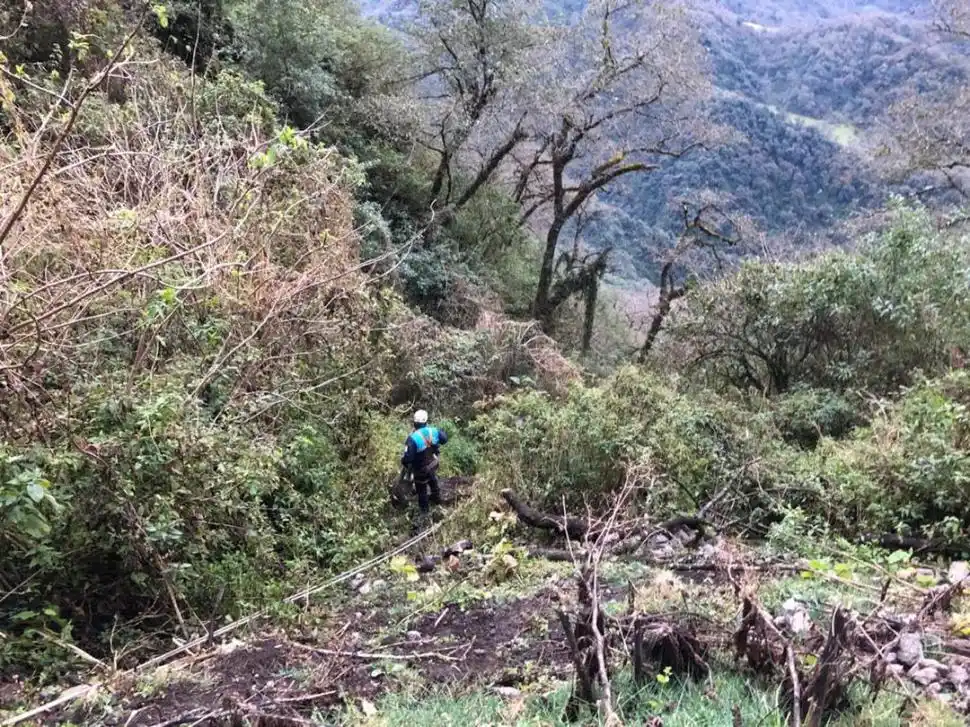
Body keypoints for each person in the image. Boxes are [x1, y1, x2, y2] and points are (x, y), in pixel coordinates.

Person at [399, 409, 448, 515]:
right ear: (426, 421)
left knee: (422, 491)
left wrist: (403, 461)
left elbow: (408, 459)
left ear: (414, 423)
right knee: (432, 479)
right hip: (434, 464)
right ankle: (436, 498)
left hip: (421, 470)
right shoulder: (433, 431)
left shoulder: (412, 439)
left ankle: (425, 513)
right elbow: (444, 439)